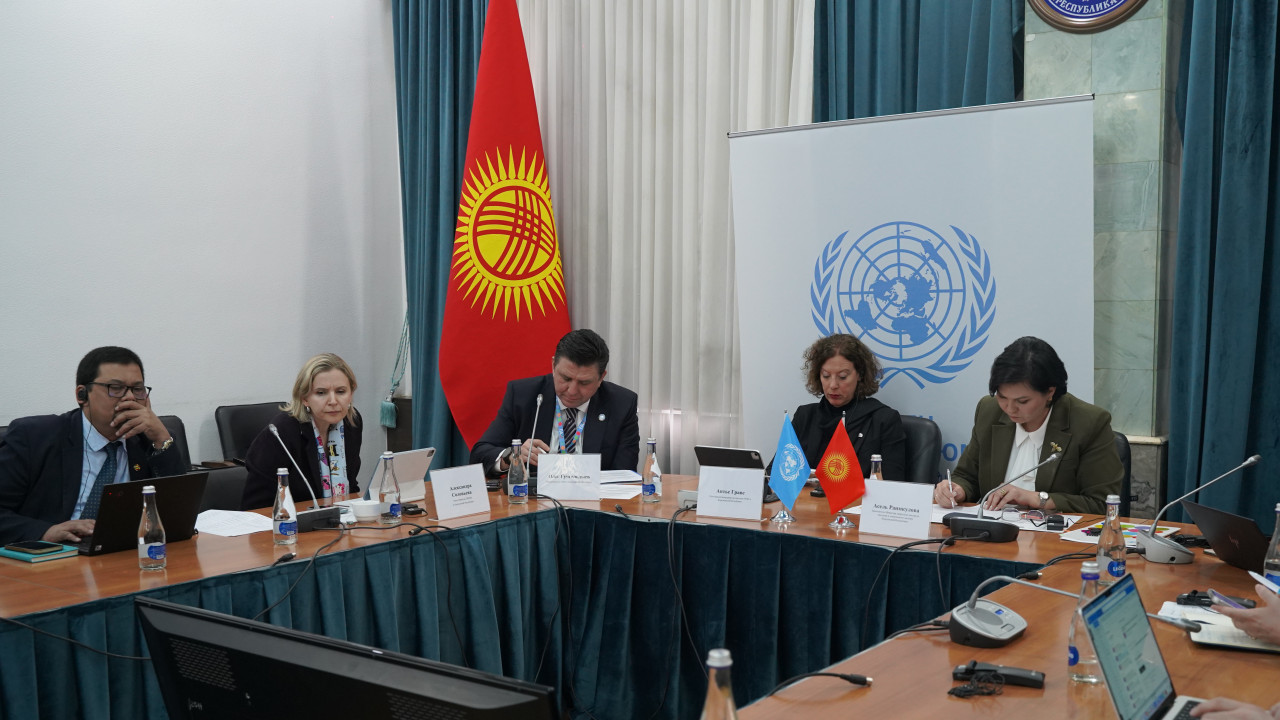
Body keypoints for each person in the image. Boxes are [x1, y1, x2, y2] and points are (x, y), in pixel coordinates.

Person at [0, 346, 185, 545]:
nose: (130, 397)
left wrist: (162, 439)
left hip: (123, 553)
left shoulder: (151, 440)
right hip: (53, 555)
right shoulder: (33, 437)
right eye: (116, 388)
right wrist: (45, 532)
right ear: (82, 395)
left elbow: (180, 514)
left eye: (137, 389)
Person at [933, 336, 1123, 515]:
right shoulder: (989, 411)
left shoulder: (1089, 422)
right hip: (993, 531)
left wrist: (1036, 499)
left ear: (1050, 392)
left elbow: (1102, 503)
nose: (1009, 408)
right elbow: (967, 476)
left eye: (1022, 401)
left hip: (1054, 535)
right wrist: (956, 490)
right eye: (1002, 397)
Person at [471, 329, 640, 476]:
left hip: (595, 500)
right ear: (553, 366)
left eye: (584, 382)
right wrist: (512, 456)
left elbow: (625, 475)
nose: (572, 390)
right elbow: (480, 454)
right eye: (565, 378)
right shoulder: (523, 395)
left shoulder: (622, 404)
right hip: (534, 499)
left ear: (601, 377)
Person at [775, 334, 906, 481]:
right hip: (805, 496)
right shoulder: (805, 416)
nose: (833, 385)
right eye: (826, 376)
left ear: (860, 375)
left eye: (842, 377)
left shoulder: (883, 420)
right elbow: (775, 475)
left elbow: (892, 484)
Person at [241, 354, 362, 510]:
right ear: (305, 398)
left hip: (340, 518)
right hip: (289, 521)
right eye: (321, 393)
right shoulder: (281, 432)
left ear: (351, 394)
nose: (333, 401)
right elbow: (256, 507)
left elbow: (351, 486)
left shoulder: (351, 423)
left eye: (340, 391)